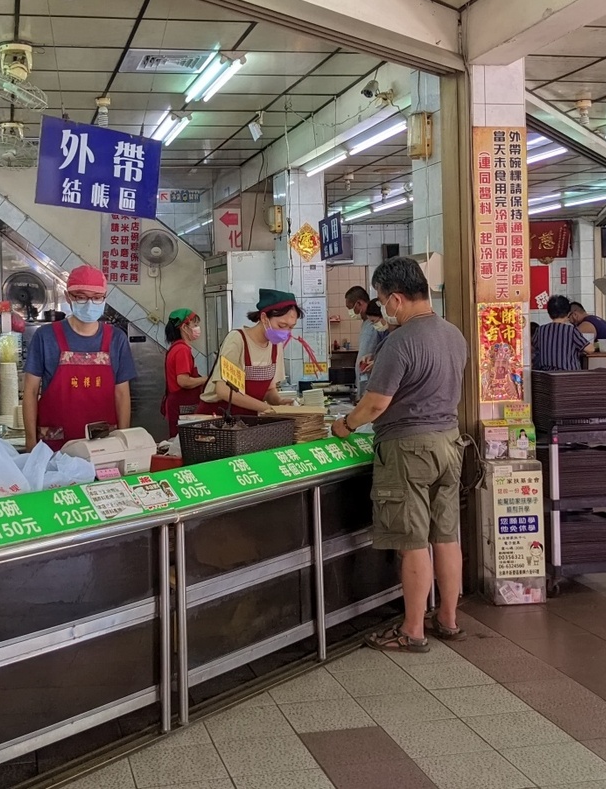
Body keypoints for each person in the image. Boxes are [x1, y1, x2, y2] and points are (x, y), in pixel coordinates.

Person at [331, 257, 469, 653]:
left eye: (381, 300)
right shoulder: (452, 334)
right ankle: (448, 618)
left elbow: (375, 404)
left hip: (409, 449)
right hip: (448, 442)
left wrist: (345, 426)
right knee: (446, 536)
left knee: (412, 541)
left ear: (395, 298)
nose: (382, 308)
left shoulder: (402, 340)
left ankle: (412, 630)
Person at [23, 265, 137, 451]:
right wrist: (30, 441)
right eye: (81, 297)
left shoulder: (116, 339)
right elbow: (30, 391)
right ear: (68, 297)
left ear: (104, 298)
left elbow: (122, 394)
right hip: (56, 444)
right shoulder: (45, 337)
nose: (90, 303)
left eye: (96, 297)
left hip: (104, 443)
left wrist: (124, 440)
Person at [197, 289, 301, 414]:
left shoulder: (275, 345)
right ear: (264, 318)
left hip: (247, 418)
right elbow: (223, 390)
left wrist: (278, 401)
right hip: (218, 416)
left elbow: (269, 390)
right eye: (282, 326)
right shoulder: (237, 340)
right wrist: (268, 408)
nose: (286, 332)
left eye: (291, 327)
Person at [162, 309, 207, 437]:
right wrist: (206, 379)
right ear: (184, 327)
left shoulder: (177, 347)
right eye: (194, 325)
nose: (197, 329)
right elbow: (183, 381)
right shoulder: (182, 350)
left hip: (178, 405)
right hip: (181, 407)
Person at [532, 295, 595, 371]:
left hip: (547, 377)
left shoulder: (540, 330)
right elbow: (590, 349)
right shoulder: (571, 330)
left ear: (549, 313)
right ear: (568, 313)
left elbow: (532, 348)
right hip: (568, 376)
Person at [346, 286, 388, 398]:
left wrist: (376, 362)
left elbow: (388, 353)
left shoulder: (383, 327)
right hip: (364, 382)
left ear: (359, 303)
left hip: (374, 386)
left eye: (350, 308)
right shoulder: (366, 323)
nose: (349, 312)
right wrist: (372, 356)